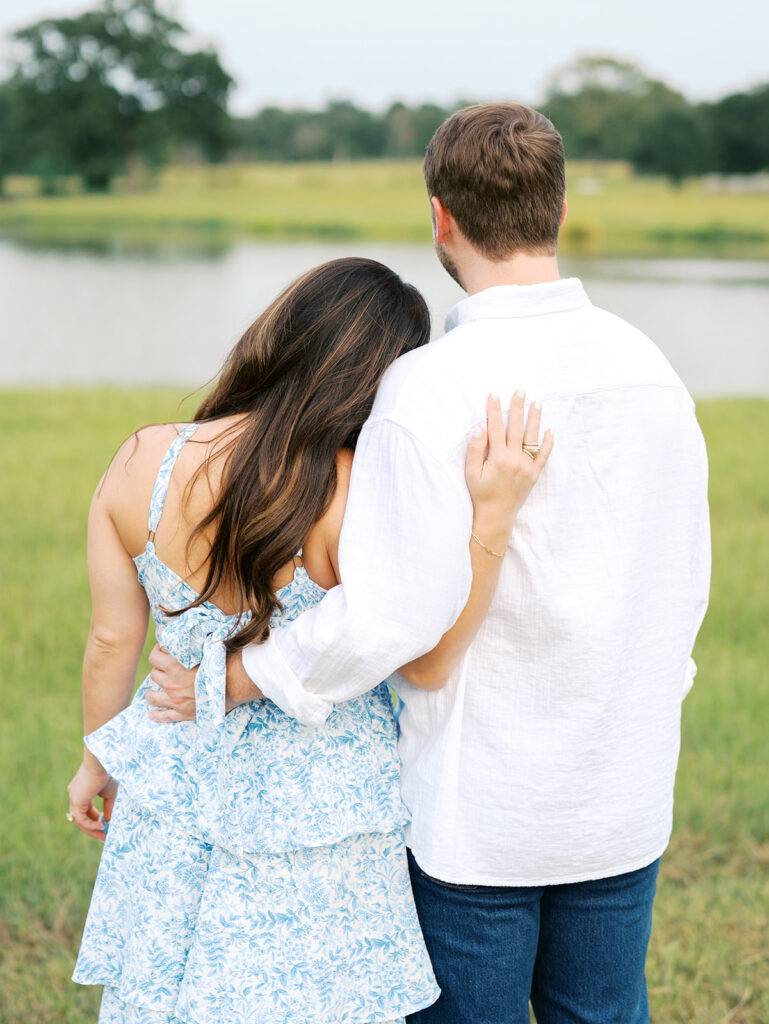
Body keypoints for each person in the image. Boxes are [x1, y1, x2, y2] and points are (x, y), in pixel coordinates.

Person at [151, 103, 711, 1024]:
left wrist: (243, 673)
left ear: (441, 217)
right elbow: (681, 584)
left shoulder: (430, 385)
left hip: (477, 807)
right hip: (620, 786)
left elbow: (388, 615)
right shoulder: (650, 371)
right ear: (558, 212)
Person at [67, 255, 552, 1024]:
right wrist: (489, 519)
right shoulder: (348, 486)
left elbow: (109, 641)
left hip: (179, 774)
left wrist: (100, 758)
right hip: (324, 809)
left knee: (170, 993)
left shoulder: (141, 459)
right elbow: (422, 652)